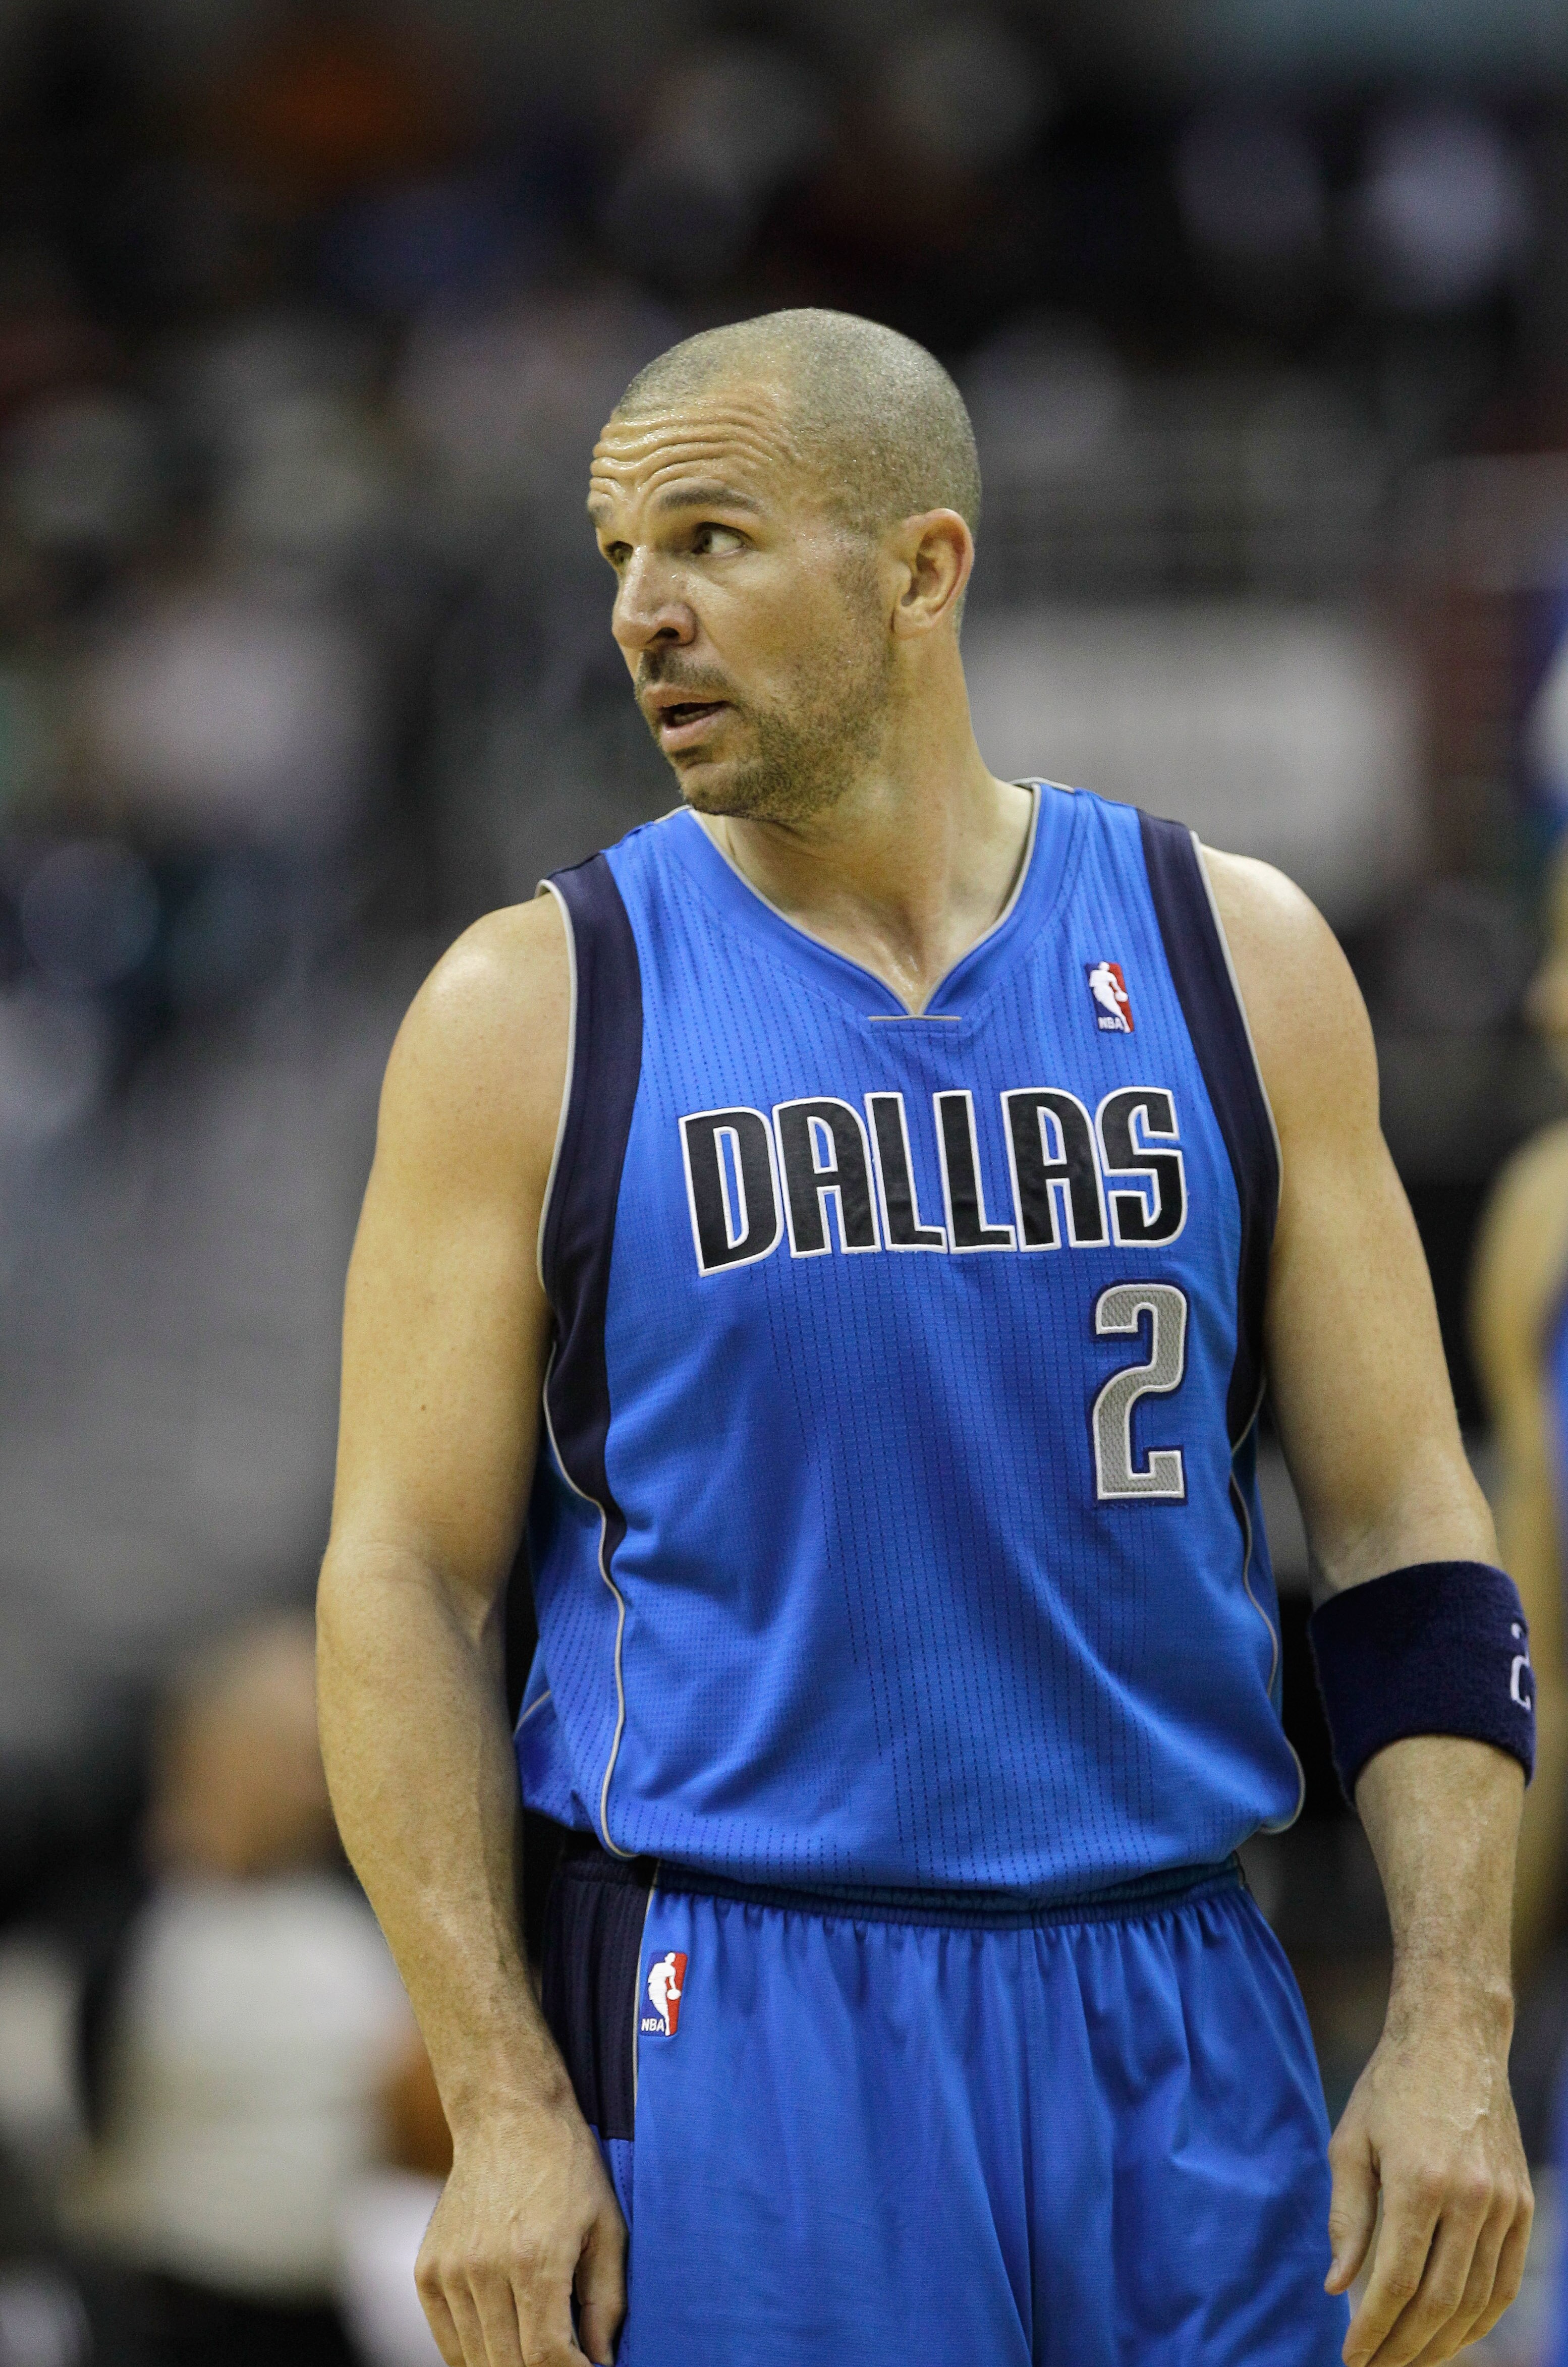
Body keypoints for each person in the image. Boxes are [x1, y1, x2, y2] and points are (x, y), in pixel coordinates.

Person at [317, 308, 1536, 2367]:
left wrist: (1449, 2031)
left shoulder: (1239, 955)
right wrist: (501, 2101)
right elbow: (399, 1582)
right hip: (750, 2007)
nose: (644, 614)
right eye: (617, 556)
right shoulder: (530, 1008)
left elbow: (1411, 1534)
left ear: (922, 567)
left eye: (711, 539)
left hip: (1183, 1995)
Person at [68, 1615, 422, 2367]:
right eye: (293, 1755)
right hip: (163, 2315)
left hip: (320, 2315)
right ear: (215, 1751)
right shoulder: (125, 1920)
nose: (314, 1787)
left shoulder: (357, 1922)